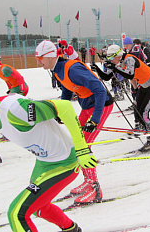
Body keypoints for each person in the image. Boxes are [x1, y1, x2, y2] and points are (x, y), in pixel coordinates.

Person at [0, 80, 95, 232]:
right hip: (44, 162)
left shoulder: (14, 109)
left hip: (64, 163)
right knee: (39, 208)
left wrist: (82, 149)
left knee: (17, 213)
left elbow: (64, 107)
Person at [35, 40, 113, 204]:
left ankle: (95, 189)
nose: (38, 61)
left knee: (83, 146)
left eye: (40, 57)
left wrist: (95, 120)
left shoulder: (72, 69)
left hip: (100, 105)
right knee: (77, 142)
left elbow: (99, 89)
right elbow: (67, 88)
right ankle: (88, 181)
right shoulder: (57, 69)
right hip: (87, 106)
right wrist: (60, 111)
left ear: (49, 56)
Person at [93, 44, 150, 152]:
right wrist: (97, 69)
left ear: (117, 55)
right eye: (109, 58)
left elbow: (130, 74)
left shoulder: (128, 58)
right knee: (137, 110)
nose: (111, 60)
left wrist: (114, 67)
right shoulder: (118, 62)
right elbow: (107, 77)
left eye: (111, 58)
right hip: (144, 86)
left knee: (144, 113)